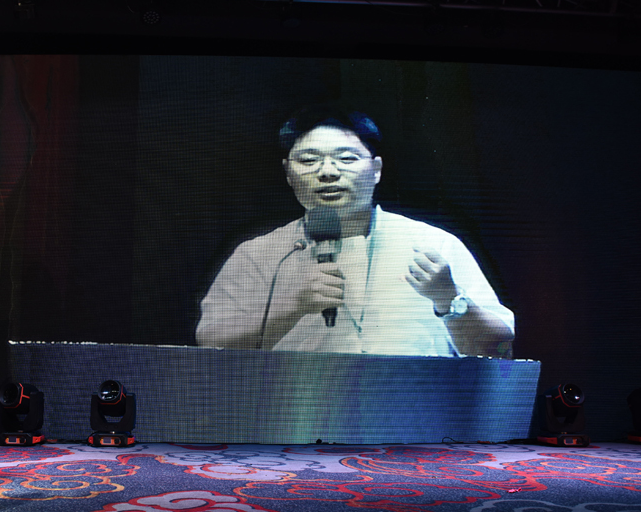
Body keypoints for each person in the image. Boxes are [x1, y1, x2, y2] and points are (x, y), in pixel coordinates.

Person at [196, 106, 514, 358]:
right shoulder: (259, 254)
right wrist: (291, 307)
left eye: (346, 159)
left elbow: (499, 349)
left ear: (376, 170)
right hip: (295, 413)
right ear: (288, 173)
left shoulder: (432, 244)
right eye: (309, 160)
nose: (327, 172)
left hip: (414, 412)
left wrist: (448, 297)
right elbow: (209, 345)